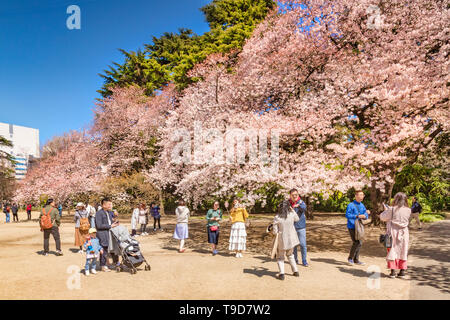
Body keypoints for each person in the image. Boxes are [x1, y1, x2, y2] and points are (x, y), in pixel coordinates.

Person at [380, 192, 411, 279]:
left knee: (392, 250)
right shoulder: (409, 210)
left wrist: (386, 209)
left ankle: (393, 272)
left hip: (393, 233)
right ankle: (402, 271)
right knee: (403, 251)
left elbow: (383, 217)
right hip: (404, 233)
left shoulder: (392, 209)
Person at [272, 195, 300, 280]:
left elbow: (274, 231)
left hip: (282, 240)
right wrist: (292, 210)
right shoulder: (291, 214)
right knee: (290, 255)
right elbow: (297, 219)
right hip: (291, 239)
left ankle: (282, 273)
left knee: (280, 257)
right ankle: (295, 271)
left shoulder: (277, 217)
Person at [345, 190, 370, 265]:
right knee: (356, 242)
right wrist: (357, 216)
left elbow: (365, 215)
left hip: (359, 226)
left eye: (363, 195)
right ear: (356, 196)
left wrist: (366, 214)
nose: (362, 196)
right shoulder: (351, 205)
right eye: (360, 195)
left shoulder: (362, 205)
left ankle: (356, 259)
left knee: (360, 242)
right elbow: (347, 215)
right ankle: (350, 258)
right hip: (352, 226)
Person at [95, 198, 119, 272]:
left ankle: (116, 263)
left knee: (113, 248)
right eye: (109, 204)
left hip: (110, 233)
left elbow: (112, 221)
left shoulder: (110, 212)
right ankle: (103, 265)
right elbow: (99, 226)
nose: (110, 205)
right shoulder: (99, 213)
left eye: (111, 204)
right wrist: (110, 226)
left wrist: (115, 220)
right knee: (104, 249)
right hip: (103, 234)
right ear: (103, 205)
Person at [289, 189, 309, 267]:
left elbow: (304, 208)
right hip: (291, 227)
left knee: (303, 244)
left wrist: (298, 206)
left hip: (301, 227)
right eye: (293, 195)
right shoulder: (288, 203)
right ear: (290, 195)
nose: (294, 196)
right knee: (293, 245)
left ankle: (304, 260)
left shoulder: (301, 202)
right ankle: (295, 259)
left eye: (296, 194)